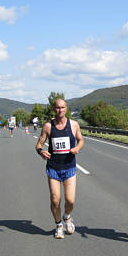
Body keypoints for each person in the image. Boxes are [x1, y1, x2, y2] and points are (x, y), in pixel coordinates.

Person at [35, 99, 84, 239]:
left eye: (62, 107)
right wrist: (41, 151)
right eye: (57, 108)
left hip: (69, 167)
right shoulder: (48, 127)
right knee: (55, 199)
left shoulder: (74, 125)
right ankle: (58, 226)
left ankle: (67, 217)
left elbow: (81, 140)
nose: (60, 110)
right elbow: (39, 144)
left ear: (66, 109)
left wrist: (77, 148)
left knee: (70, 200)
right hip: (53, 168)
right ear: (54, 109)